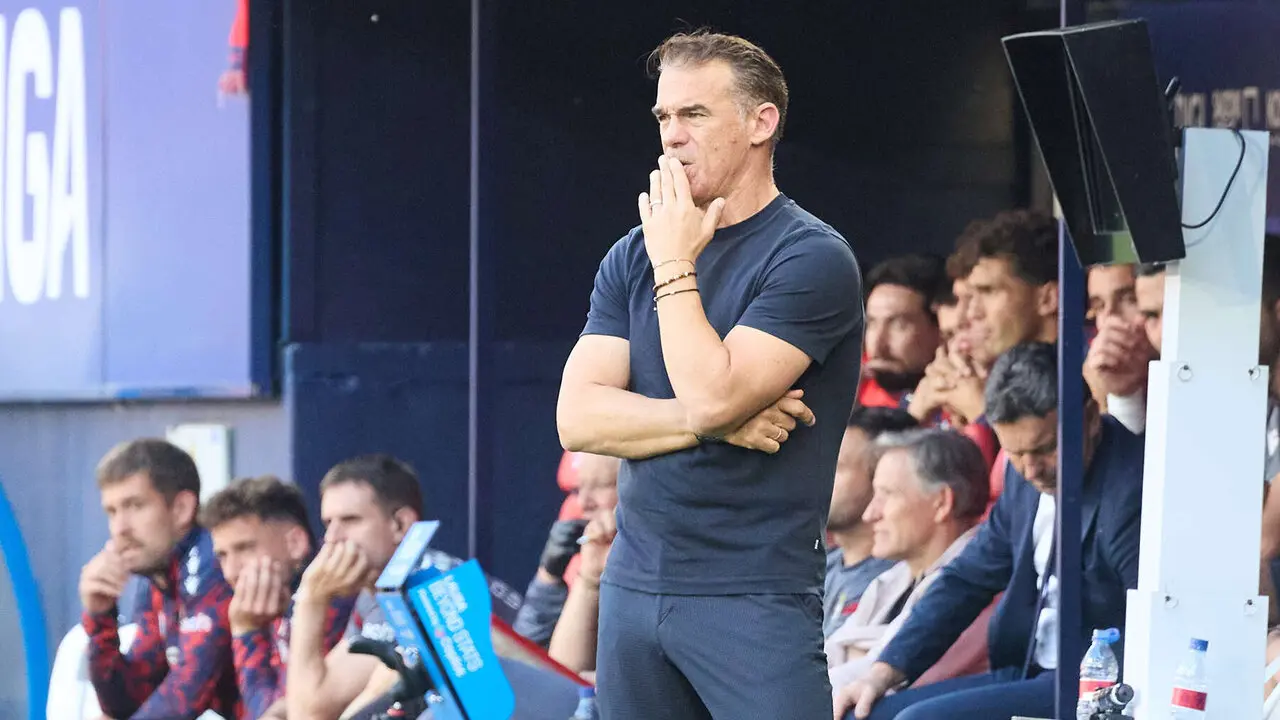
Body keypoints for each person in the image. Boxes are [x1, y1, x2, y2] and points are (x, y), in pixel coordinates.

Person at [557, 30, 863, 719]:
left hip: (752, 594)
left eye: (694, 114)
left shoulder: (810, 257)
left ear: (761, 123)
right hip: (633, 586)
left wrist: (675, 264)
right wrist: (712, 423)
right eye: (664, 116)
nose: (672, 136)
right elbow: (577, 419)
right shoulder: (630, 254)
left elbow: (713, 393)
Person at [838, 342, 1144, 720]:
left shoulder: (1131, 488)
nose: (1031, 469)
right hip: (1025, 669)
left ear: (1091, 419)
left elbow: (1149, 630)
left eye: (1045, 449)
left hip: (1093, 684)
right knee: (859, 714)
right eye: (1014, 452)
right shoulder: (1022, 476)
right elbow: (966, 579)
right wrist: (881, 674)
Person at [285, 454, 523, 720]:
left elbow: (310, 713)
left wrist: (310, 599)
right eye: (328, 523)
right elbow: (320, 700)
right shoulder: (378, 589)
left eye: (350, 520)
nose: (332, 538)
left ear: (401, 525)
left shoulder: (429, 586)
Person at [78, 438, 241, 719]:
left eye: (135, 506)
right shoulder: (158, 578)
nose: (120, 528)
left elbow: (186, 696)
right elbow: (126, 700)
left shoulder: (213, 563)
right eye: (112, 512)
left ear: (181, 509)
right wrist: (100, 617)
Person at [828, 428, 990, 696]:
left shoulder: (979, 586)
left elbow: (894, 680)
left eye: (887, 495)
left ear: (941, 503)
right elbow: (829, 654)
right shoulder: (890, 581)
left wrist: (858, 653)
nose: (870, 514)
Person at [202, 475, 357, 719]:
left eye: (245, 548)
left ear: (295, 543)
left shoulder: (335, 592)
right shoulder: (274, 597)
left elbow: (277, 711)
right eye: (222, 555)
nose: (231, 572)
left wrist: (246, 631)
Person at [825, 407, 918, 637]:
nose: (817, 478)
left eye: (836, 466)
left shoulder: (896, 585)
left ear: (882, 477)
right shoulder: (818, 566)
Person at [514, 453, 620, 647]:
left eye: (601, 485)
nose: (583, 503)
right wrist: (549, 575)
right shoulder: (584, 549)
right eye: (577, 490)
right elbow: (526, 651)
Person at [858, 255, 948, 410]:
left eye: (898, 325)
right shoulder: (850, 388)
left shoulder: (968, 400)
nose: (878, 344)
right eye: (872, 323)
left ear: (941, 328)